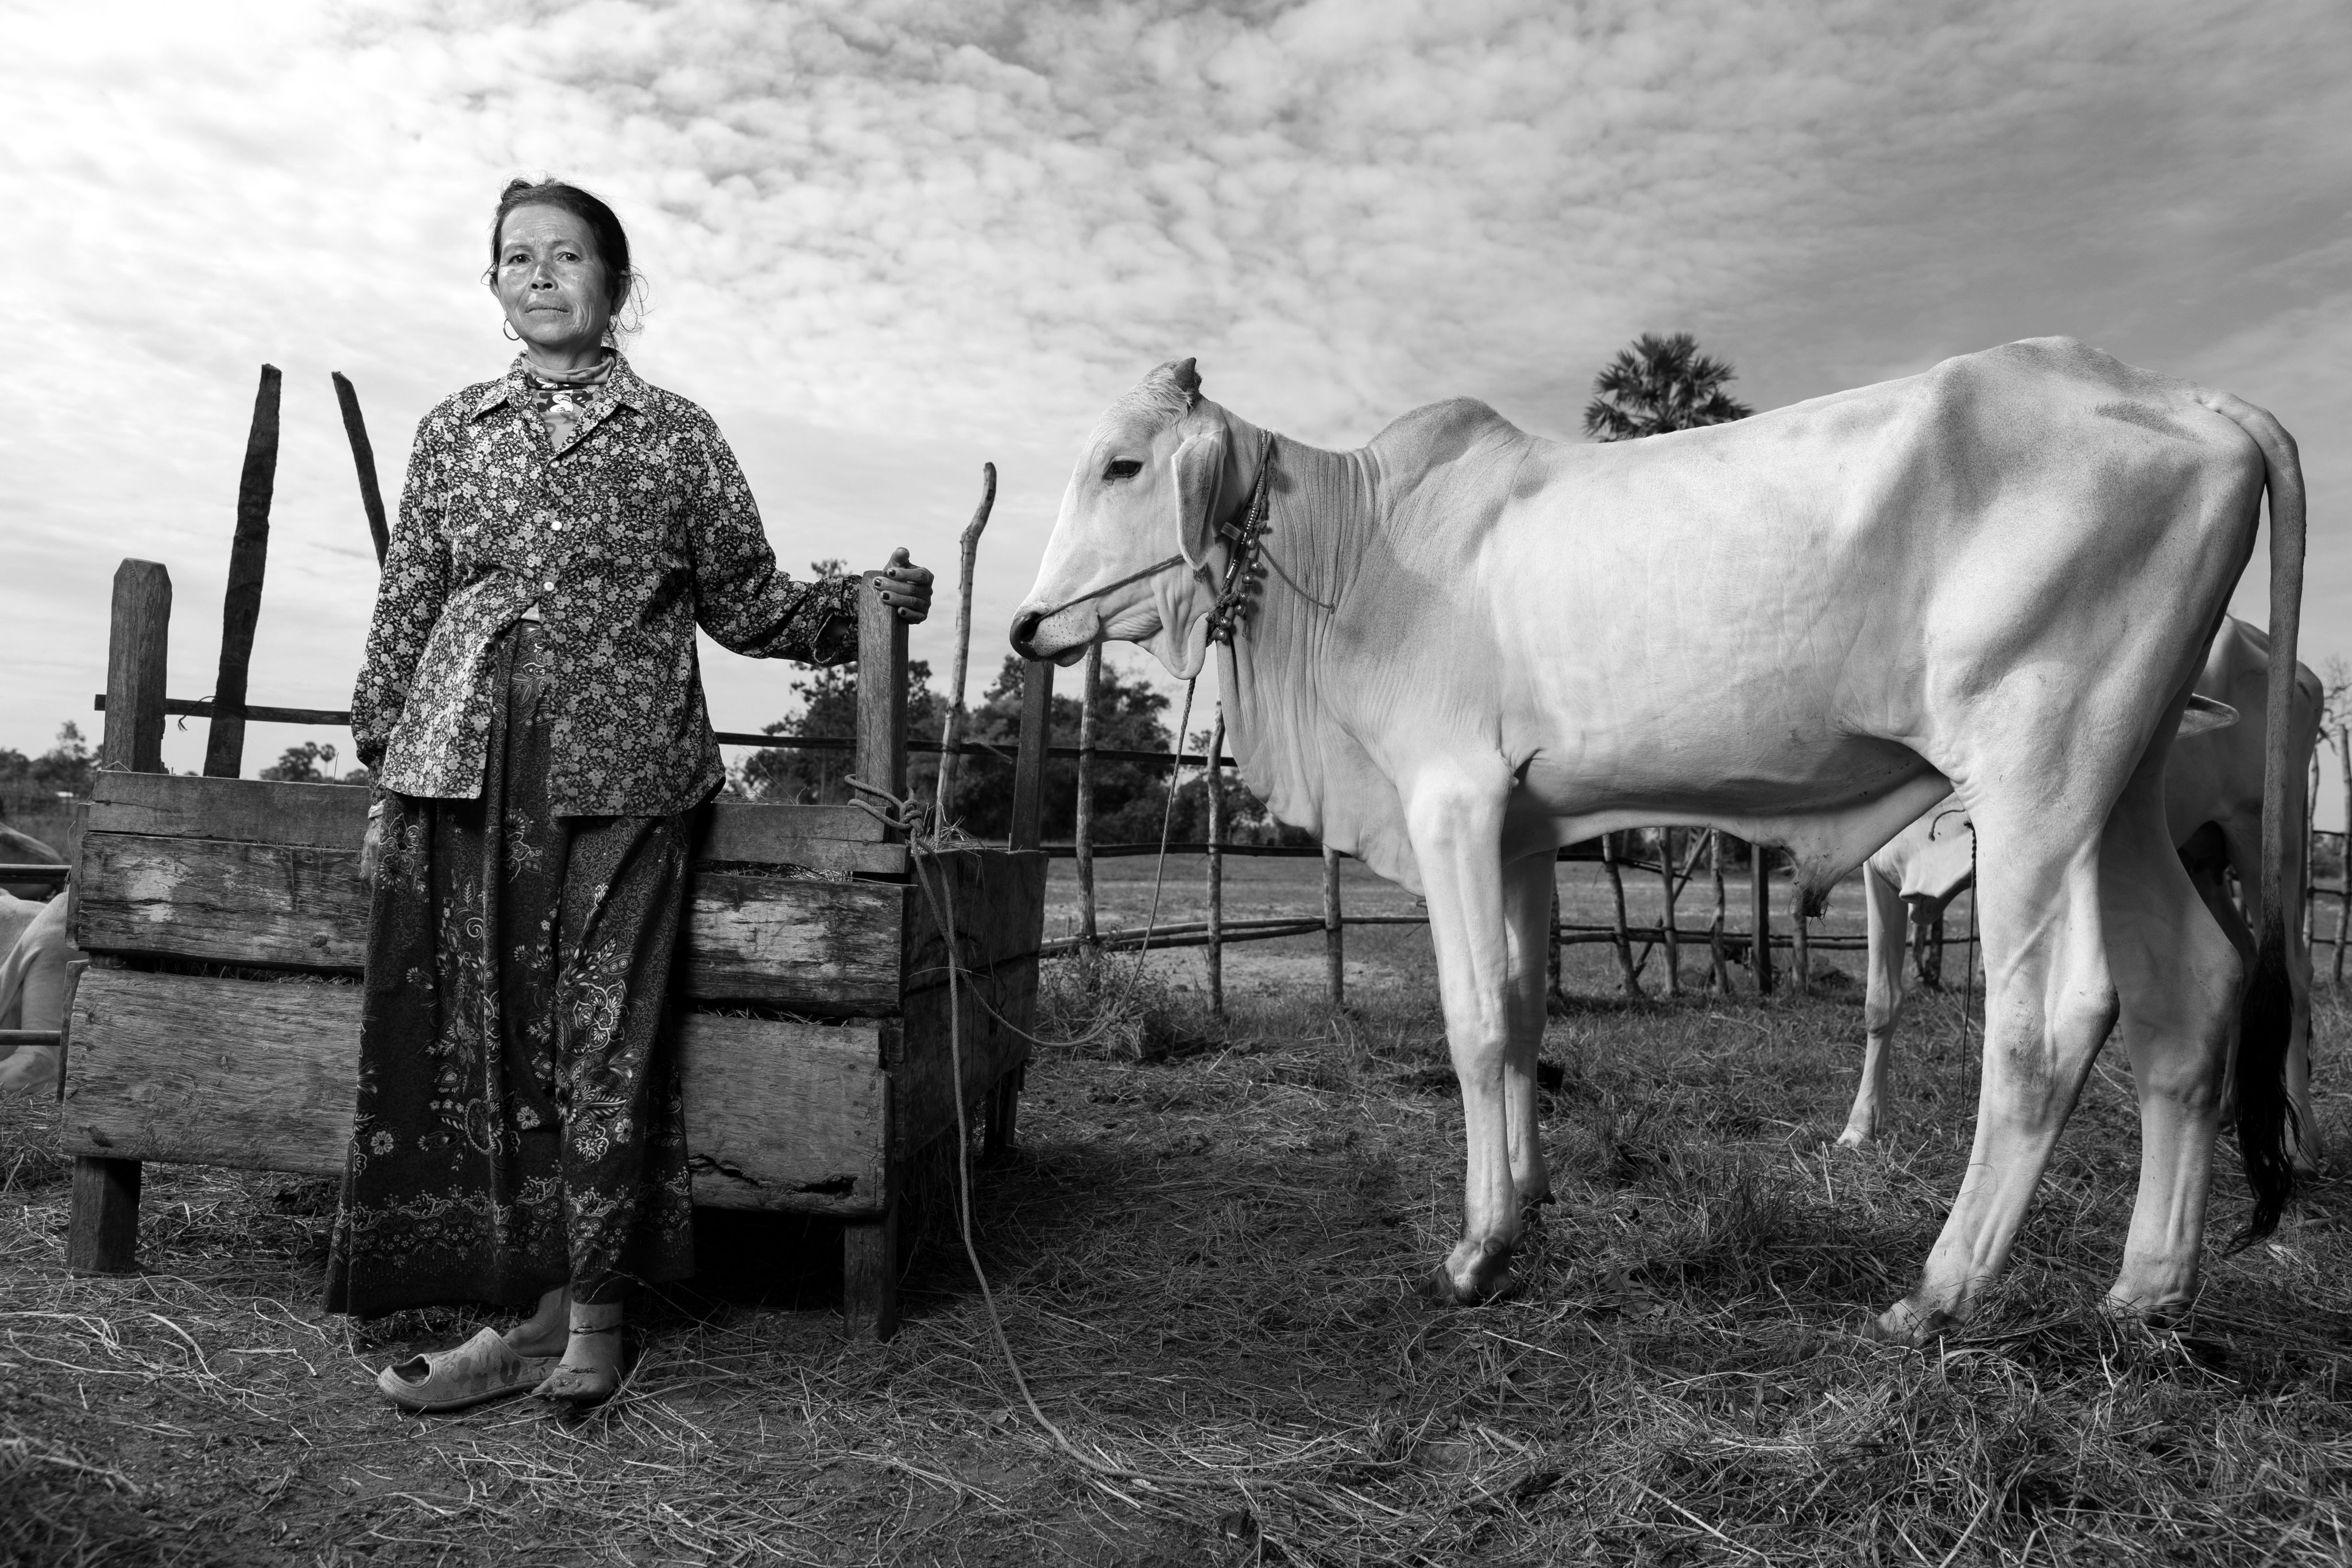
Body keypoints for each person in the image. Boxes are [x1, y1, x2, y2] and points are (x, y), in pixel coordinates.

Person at [326, 177, 933, 1412]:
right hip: (464, 770)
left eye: (566, 256)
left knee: (605, 1039)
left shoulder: (676, 436)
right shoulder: (454, 430)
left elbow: (750, 601)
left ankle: (594, 1320)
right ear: (493, 285)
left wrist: (867, 599)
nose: (538, 275)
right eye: (514, 259)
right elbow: (409, 602)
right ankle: (517, 1321)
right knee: (491, 1050)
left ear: (616, 283)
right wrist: (383, 758)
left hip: (624, 772)